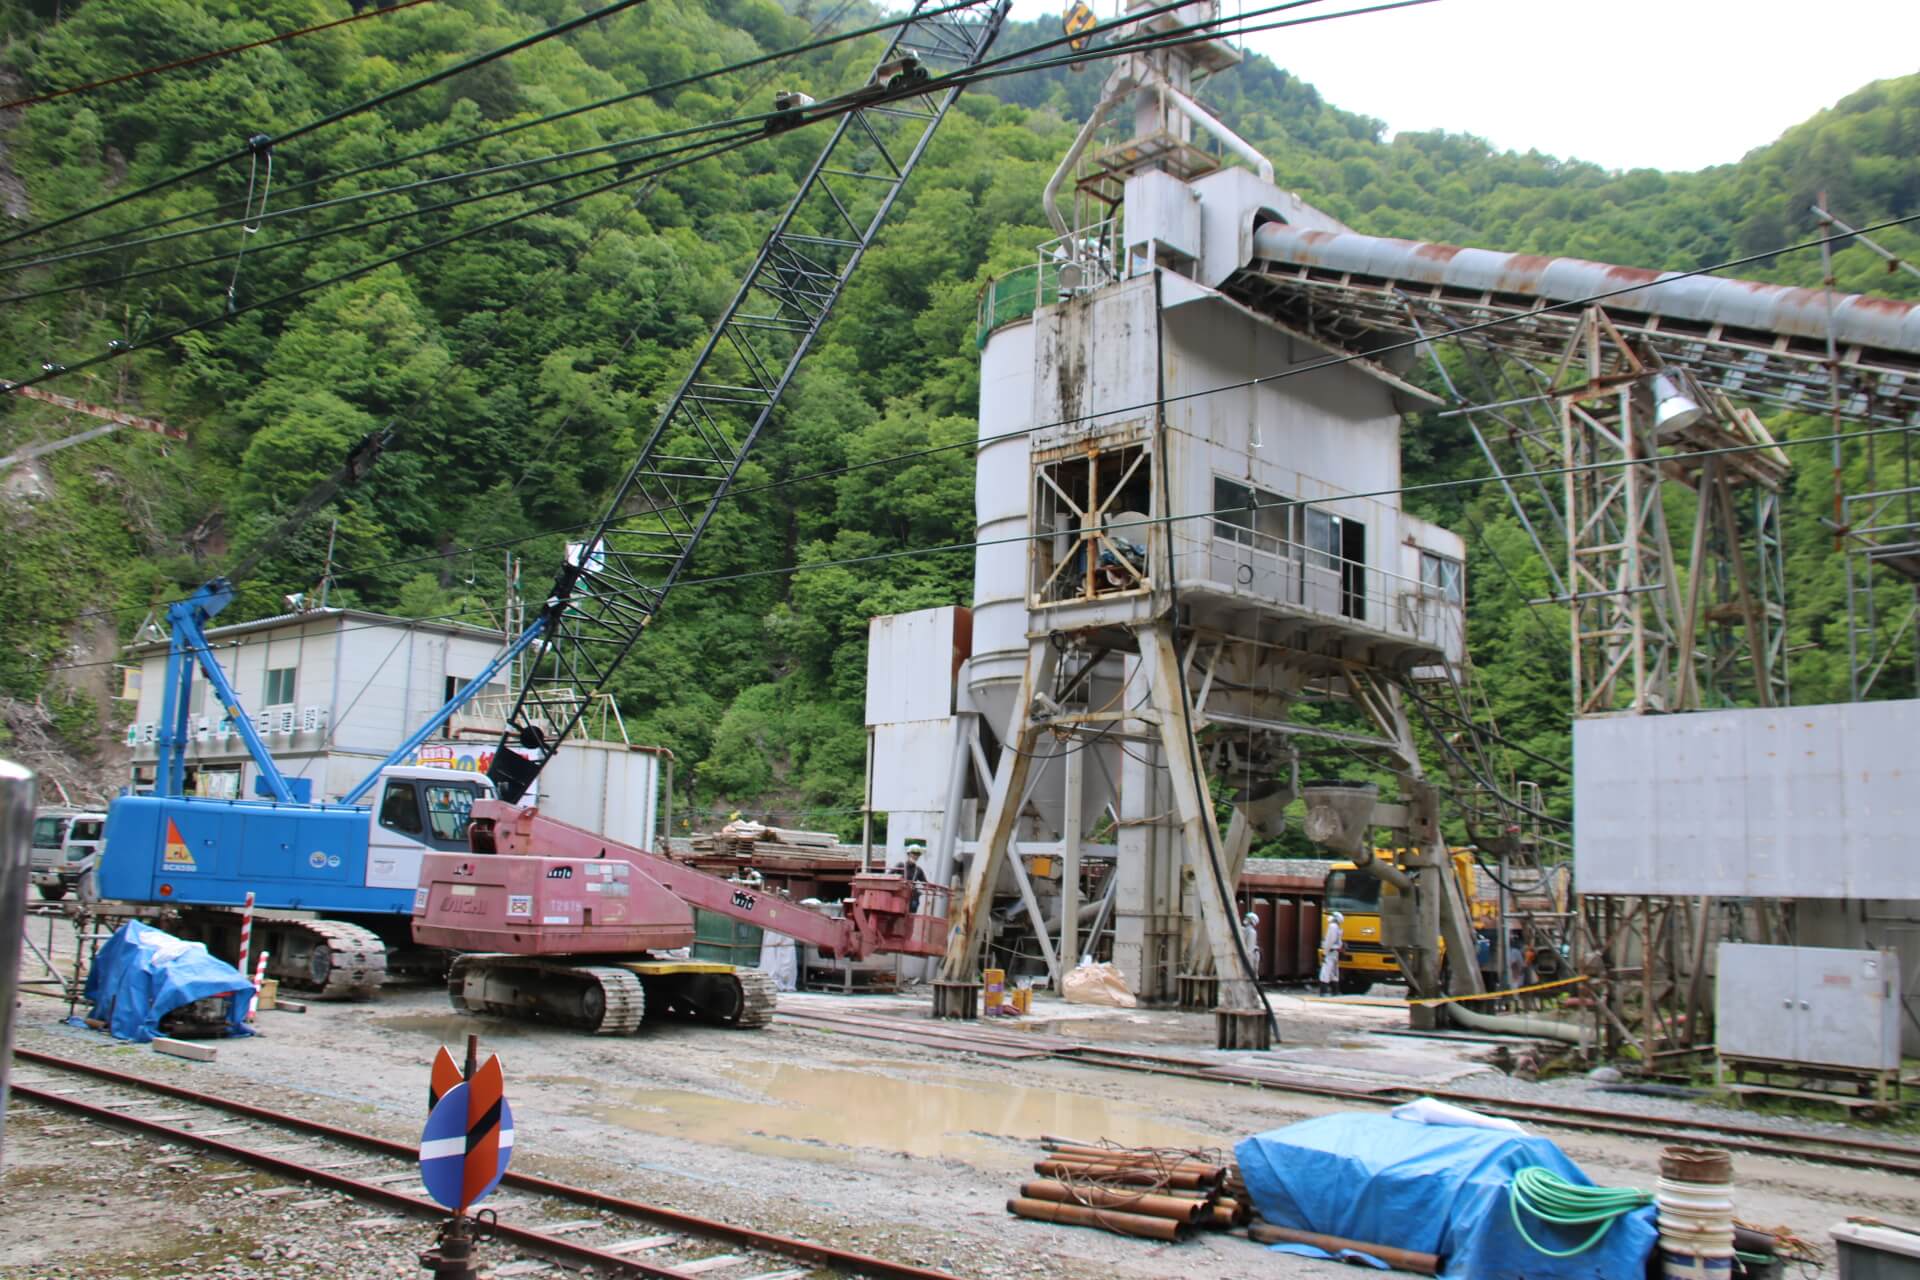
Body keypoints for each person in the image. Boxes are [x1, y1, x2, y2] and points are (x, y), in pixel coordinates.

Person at [1317, 911, 1345, 997]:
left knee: (1325, 971)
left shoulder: (1332, 927)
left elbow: (1329, 941)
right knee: (1334, 972)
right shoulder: (1337, 927)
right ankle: (1335, 991)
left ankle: (1323, 991)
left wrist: (1325, 953)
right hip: (1335, 952)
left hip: (1330, 952)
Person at [901, 842, 928, 913]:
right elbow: (890, 876)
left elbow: (926, 884)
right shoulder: (901, 866)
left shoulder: (918, 870)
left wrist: (936, 888)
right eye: (913, 853)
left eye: (917, 854)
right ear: (909, 854)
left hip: (912, 896)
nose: (915, 856)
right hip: (901, 895)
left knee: (913, 907)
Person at [1240, 910, 1263, 981]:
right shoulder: (1244, 929)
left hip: (1251, 956)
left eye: (1248, 918)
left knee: (1251, 976)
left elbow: (1249, 949)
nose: (1245, 919)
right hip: (1248, 955)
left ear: (1252, 921)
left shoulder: (1251, 932)